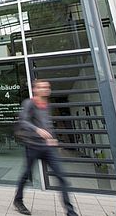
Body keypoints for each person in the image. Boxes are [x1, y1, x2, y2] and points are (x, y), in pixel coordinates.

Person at [13, 80, 78, 216]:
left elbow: (47, 125)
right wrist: (37, 130)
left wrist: (53, 139)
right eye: (41, 87)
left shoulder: (46, 105)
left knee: (62, 177)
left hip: (48, 147)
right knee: (25, 175)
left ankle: (70, 211)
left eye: (47, 87)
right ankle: (18, 201)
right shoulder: (29, 103)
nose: (45, 89)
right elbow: (23, 120)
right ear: (35, 89)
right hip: (33, 146)